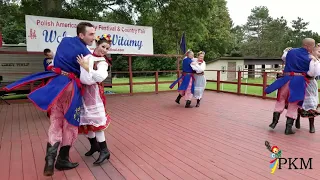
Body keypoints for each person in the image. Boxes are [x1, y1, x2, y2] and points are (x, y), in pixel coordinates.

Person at [3, 22, 96, 176]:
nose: (94, 37)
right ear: (81, 35)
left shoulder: (65, 41)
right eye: (91, 34)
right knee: (70, 124)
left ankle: (50, 159)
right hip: (71, 88)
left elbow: (57, 62)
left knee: (55, 122)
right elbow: (89, 76)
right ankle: (63, 159)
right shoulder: (85, 53)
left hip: (56, 85)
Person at [265, 38, 315, 135]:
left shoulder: (290, 51)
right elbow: (312, 73)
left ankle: (274, 122)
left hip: (286, 79)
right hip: (298, 82)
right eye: (312, 46)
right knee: (293, 104)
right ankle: (288, 129)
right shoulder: (310, 58)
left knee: (281, 100)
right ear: (308, 46)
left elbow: (283, 58)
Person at [77, 34, 112, 165]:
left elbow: (100, 77)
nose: (104, 50)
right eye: (103, 46)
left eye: (107, 48)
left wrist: (87, 68)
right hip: (82, 91)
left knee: (96, 121)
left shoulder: (102, 62)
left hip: (93, 94)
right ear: (97, 44)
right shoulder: (88, 54)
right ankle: (94, 146)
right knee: (86, 121)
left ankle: (104, 150)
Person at [295, 46, 320, 133]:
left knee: (312, 103)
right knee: (300, 102)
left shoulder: (316, 61)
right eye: (318, 51)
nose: (319, 54)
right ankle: (297, 119)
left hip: (312, 83)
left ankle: (311, 125)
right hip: (303, 81)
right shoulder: (307, 59)